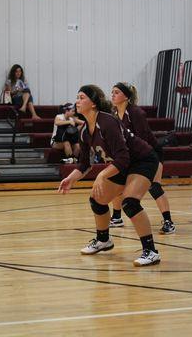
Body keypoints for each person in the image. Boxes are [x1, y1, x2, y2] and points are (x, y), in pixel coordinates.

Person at [58, 84, 161, 266]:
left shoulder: (107, 122)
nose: (77, 101)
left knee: (130, 202)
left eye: (82, 97)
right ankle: (103, 240)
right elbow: (84, 163)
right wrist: (71, 178)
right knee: (97, 199)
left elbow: (123, 157)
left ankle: (151, 251)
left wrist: (102, 175)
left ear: (94, 103)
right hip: (125, 164)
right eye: (77, 97)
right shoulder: (84, 132)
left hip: (143, 160)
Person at [110, 82, 175, 235]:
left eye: (116, 92)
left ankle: (168, 222)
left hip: (151, 153)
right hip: (132, 154)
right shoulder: (114, 114)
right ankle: (117, 217)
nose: (112, 94)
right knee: (118, 182)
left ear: (126, 96)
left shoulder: (136, 113)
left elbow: (142, 138)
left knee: (154, 186)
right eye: (112, 92)